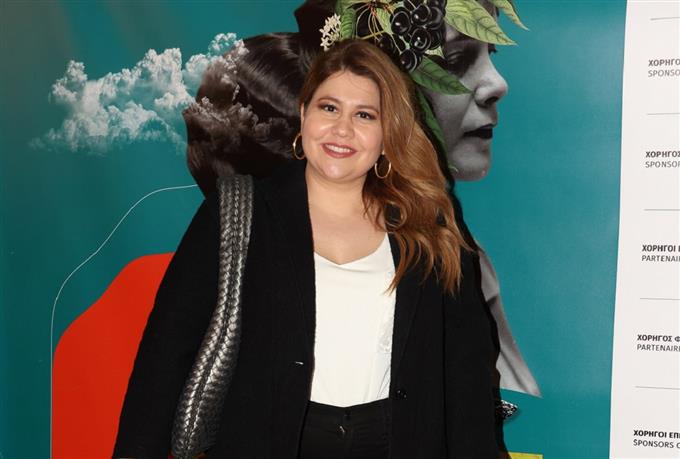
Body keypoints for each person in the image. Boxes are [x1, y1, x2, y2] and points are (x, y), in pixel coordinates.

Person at [114, 39, 503, 458]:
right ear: (304, 115)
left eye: (365, 115)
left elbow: (467, 373)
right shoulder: (238, 213)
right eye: (329, 108)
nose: (342, 129)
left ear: (387, 133)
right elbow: (164, 359)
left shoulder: (428, 225)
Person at [183, 0, 540, 397]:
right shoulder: (236, 231)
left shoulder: (436, 239)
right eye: (454, 59)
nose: (497, 84)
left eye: (364, 115)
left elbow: (478, 398)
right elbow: (164, 368)